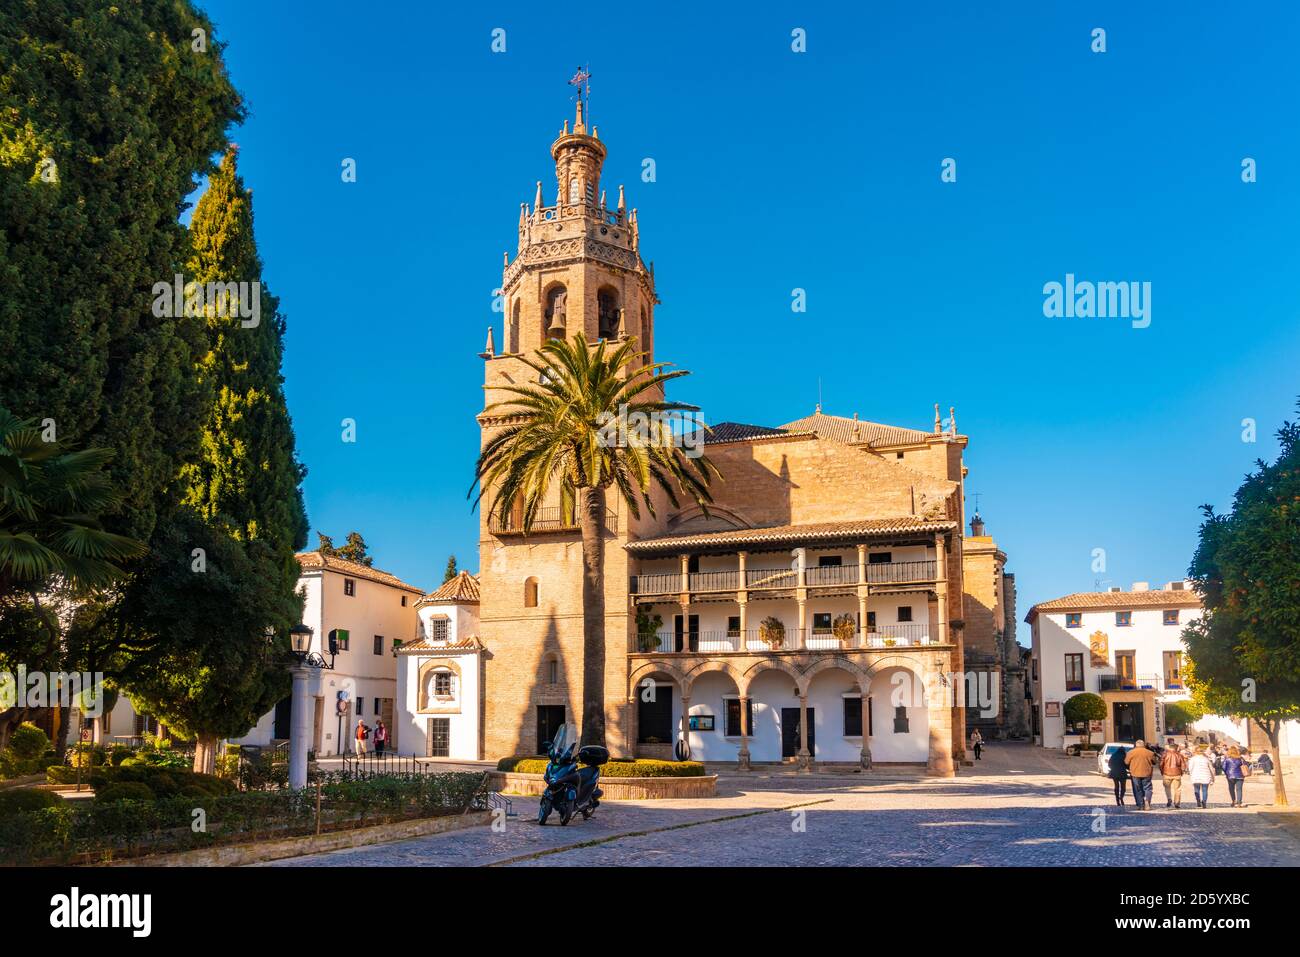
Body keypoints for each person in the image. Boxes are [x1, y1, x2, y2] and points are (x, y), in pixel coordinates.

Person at [1125, 739, 1157, 810]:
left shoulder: (1130, 752)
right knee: (1148, 788)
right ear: (1144, 745)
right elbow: (1154, 762)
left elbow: (1126, 762)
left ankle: (1140, 805)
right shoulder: (1150, 753)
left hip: (1135, 773)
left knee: (1138, 789)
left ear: (1136, 745)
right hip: (1147, 773)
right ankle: (1147, 801)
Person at [1160, 741, 1187, 809]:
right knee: (1177, 789)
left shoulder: (1165, 754)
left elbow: (1161, 764)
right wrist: (1182, 772)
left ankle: (1169, 798)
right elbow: (1183, 765)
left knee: (1167, 788)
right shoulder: (1179, 755)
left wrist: (1162, 771)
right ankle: (1177, 802)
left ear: (1169, 747)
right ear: (1176, 748)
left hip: (1167, 773)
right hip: (1177, 773)